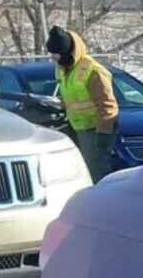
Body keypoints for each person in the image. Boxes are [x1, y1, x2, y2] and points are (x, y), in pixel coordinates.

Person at [45, 25, 117, 181]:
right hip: (78, 128)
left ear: (66, 52)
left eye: (56, 54)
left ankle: (101, 203)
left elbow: (107, 104)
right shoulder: (62, 69)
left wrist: (104, 133)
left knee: (96, 171)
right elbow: (69, 98)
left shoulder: (93, 71)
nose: (53, 58)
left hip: (95, 129)